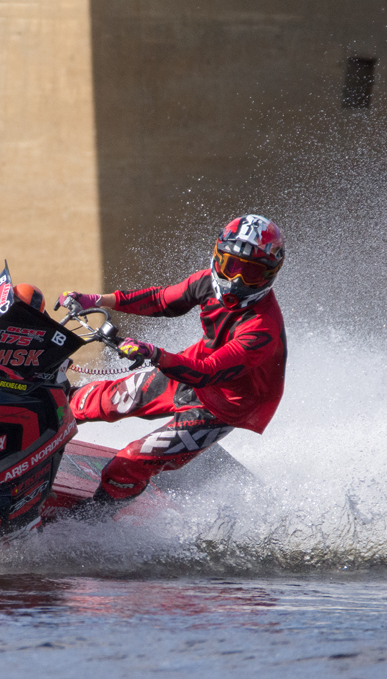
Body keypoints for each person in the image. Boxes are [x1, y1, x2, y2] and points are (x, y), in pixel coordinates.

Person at [59, 214, 287, 505]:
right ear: (217, 258)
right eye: (231, 266)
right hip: (189, 366)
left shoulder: (261, 329)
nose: (236, 281)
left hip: (221, 406)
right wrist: (97, 300)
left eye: (251, 273)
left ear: (269, 275)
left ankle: (94, 527)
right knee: (85, 403)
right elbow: (161, 300)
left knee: (127, 464)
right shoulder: (206, 283)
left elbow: (207, 373)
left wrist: (154, 354)